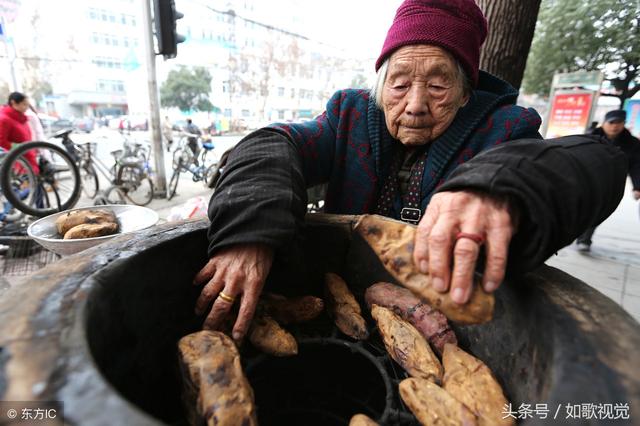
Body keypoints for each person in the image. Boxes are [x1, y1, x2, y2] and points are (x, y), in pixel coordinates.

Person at [193, 0, 627, 343]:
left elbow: (596, 162)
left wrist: (499, 185)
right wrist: (249, 234)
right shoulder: (349, 116)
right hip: (337, 305)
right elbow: (272, 143)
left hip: (450, 326)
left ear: (464, 94)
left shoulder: (505, 129)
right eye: (399, 84)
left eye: (438, 85)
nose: (416, 103)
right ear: (381, 88)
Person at [576, 109, 640, 252]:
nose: (614, 126)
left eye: (619, 123)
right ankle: (577, 233)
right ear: (604, 123)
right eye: (611, 123)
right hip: (586, 179)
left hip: (611, 184)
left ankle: (584, 239)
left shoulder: (633, 144)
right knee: (580, 208)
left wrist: (637, 187)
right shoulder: (590, 137)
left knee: (598, 210)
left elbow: (637, 166)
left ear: (624, 124)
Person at [0, 92, 39, 174]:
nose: (27, 107)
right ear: (13, 103)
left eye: (27, 104)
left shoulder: (21, 117)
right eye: (24, 104)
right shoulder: (4, 119)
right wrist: (17, 147)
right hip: (18, 160)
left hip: (28, 155)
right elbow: (1, 141)